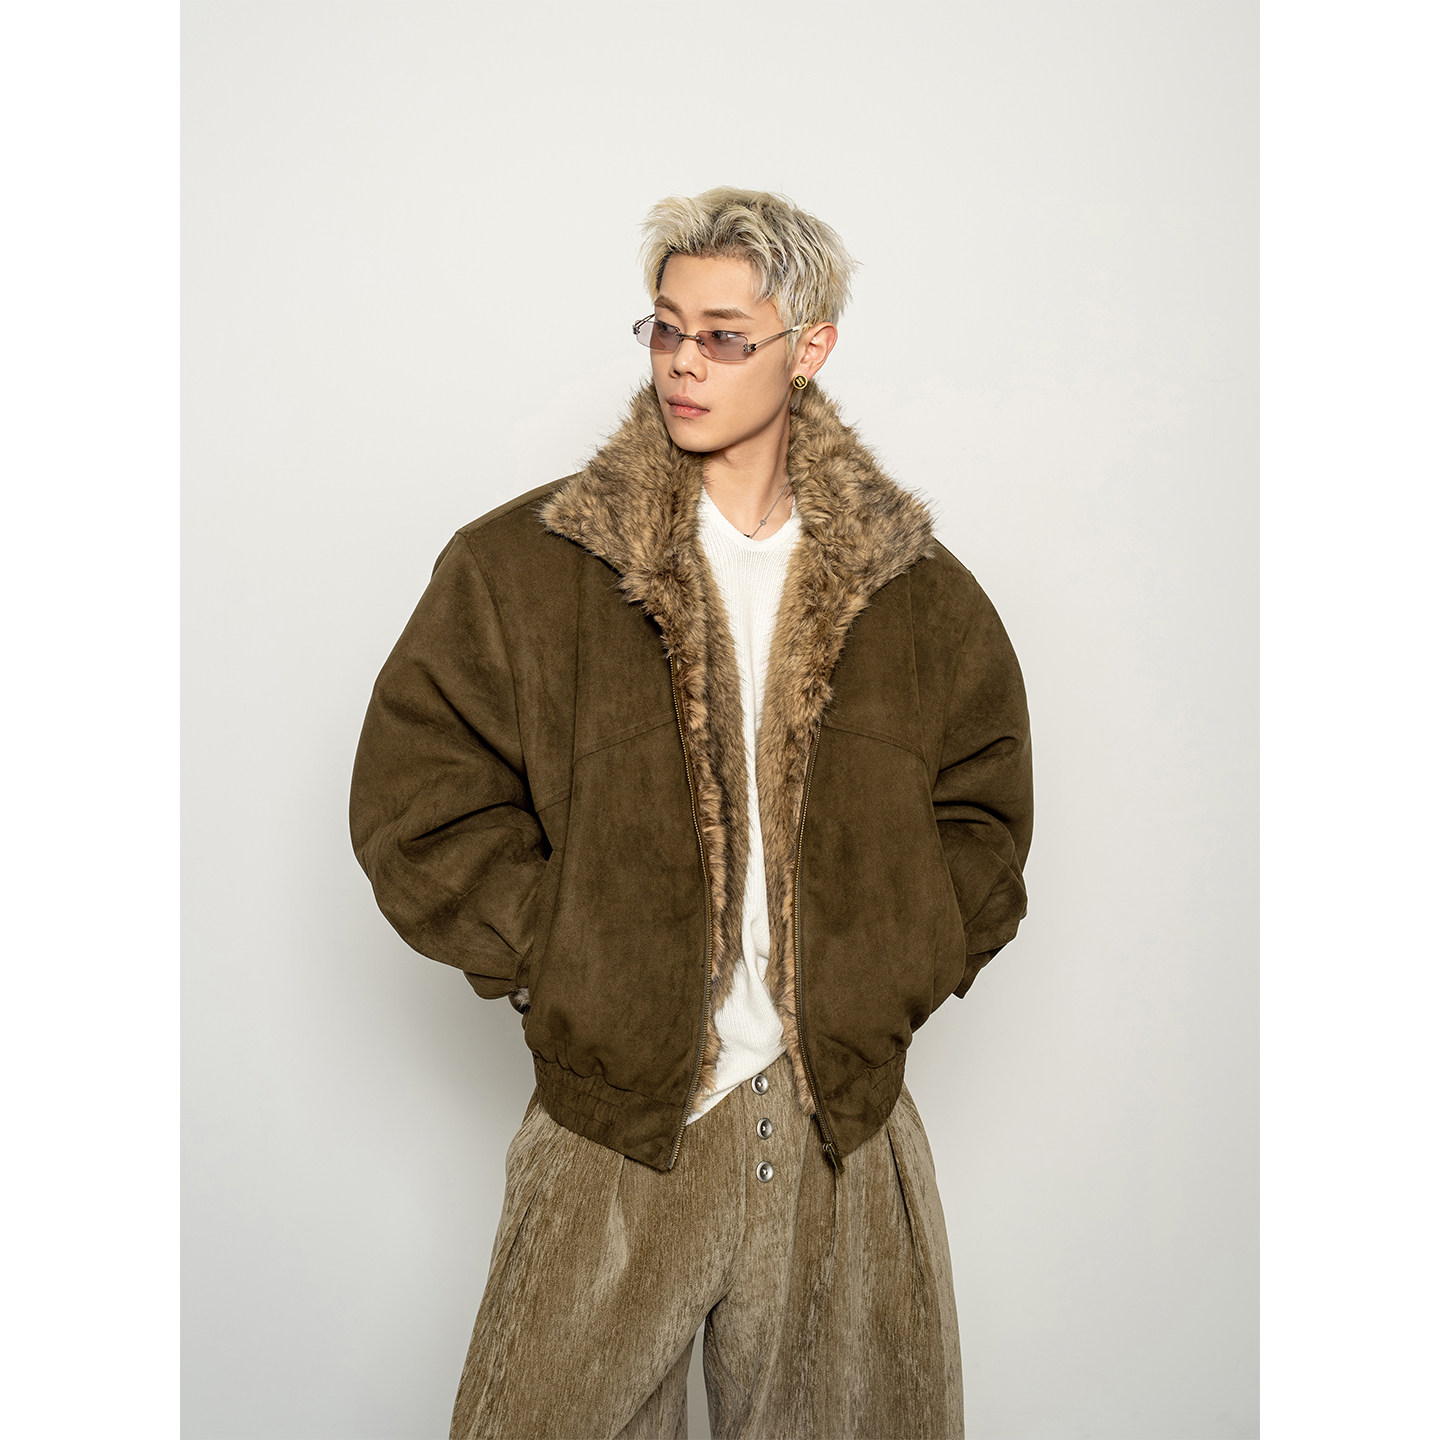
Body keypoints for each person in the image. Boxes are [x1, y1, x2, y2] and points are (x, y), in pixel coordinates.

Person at [349, 186, 1033, 1440]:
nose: (682, 361)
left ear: (809, 348)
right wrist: (571, 956)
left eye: (723, 336)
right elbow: (417, 799)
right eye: (665, 327)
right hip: (616, 1122)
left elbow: (983, 814)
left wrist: (893, 966)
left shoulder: (916, 593)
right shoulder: (526, 566)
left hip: (842, 1127)